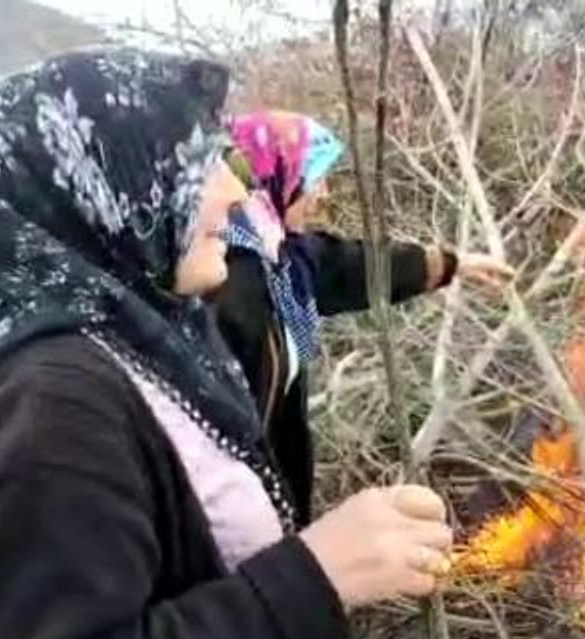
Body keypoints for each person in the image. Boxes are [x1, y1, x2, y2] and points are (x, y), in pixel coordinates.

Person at [0, 49, 454, 639]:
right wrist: (317, 577)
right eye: (199, 165)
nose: (232, 191)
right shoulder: (53, 406)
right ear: (104, 187)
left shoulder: (142, 337)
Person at [214, 110, 515, 527]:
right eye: (315, 178)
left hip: (271, 495)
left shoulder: (281, 254)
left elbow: (352, 267)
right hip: (234, 506)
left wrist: (454, 263)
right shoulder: (230, 282)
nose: (324, 193)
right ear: (276, 176)